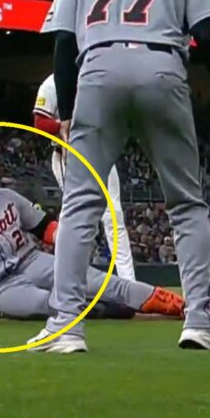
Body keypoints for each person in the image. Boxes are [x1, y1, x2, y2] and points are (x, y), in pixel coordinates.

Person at [34, 0, 210, 352]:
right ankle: (199, 320)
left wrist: (69, 112)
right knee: (186, 204)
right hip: (162, 66)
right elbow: (209, 35)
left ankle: (65, 326)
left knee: (80, 205)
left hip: (97, 70)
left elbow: (65, 41)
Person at [0, 140, 186, 330]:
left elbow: (44, 227)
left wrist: (68, 241)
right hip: (0, 288)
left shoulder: (6, 197)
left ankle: (183, 305)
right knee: (52, 305)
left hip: (35, 261)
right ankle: (102, 309)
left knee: (106, 283)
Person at [34, 73, 136, 281]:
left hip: (101, 153)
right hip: (69, 157)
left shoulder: (99, 77)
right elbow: (40, 123)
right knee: (77, 217)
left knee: (114, 217)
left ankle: (128, 281)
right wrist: (67, 125)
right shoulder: (53, 83)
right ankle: (69, 277)